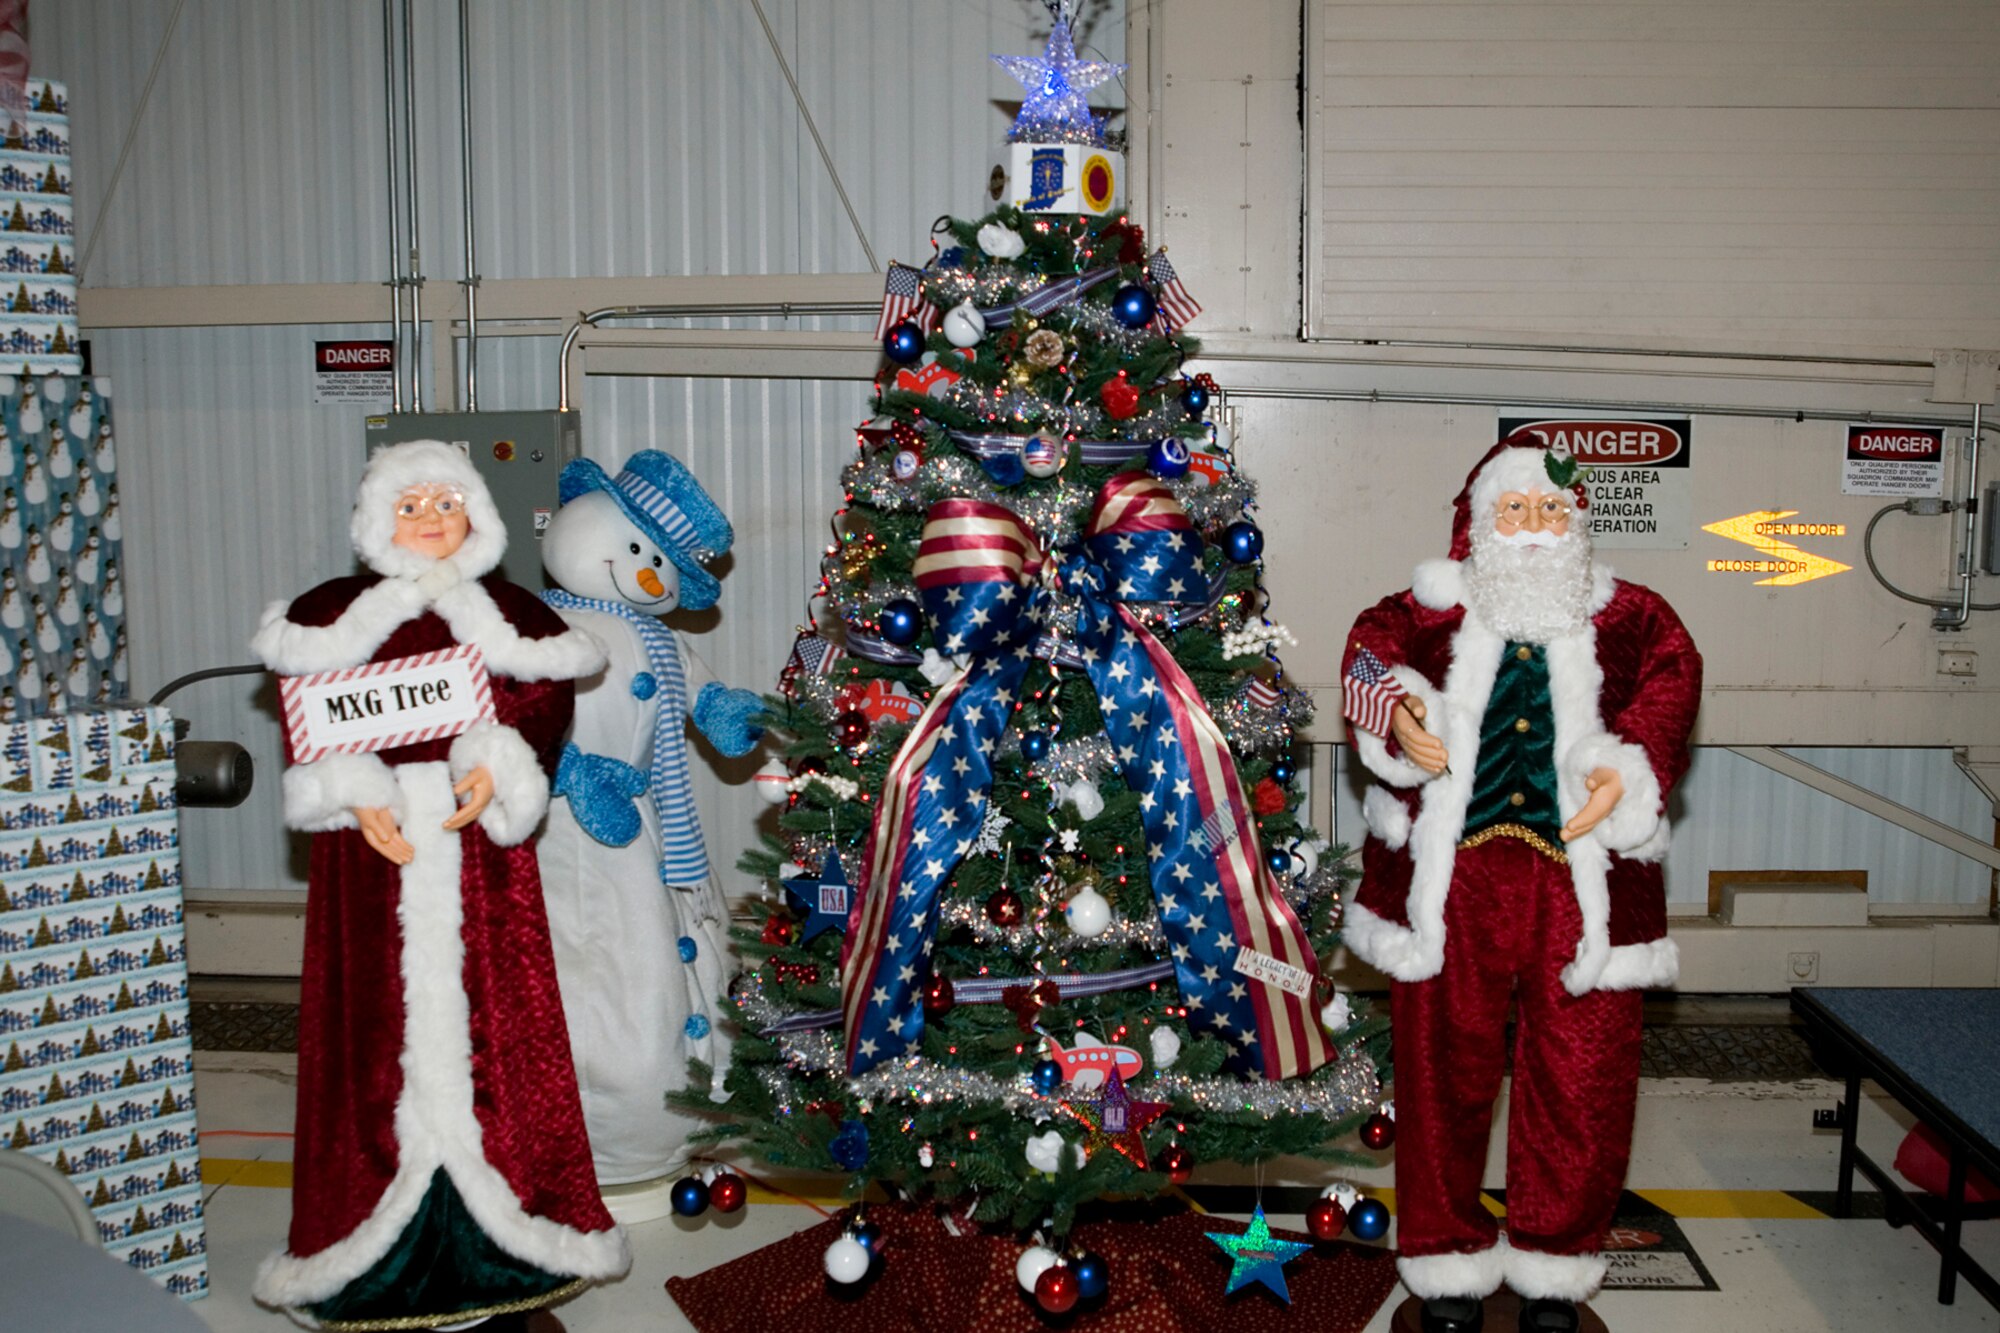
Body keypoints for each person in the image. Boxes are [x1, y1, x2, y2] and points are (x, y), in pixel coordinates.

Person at [250, 440, 626, 1331]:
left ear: (477, 517)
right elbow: (311, 722)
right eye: (409, 504)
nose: (427, 519)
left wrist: (498, 763)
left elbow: (541, 706)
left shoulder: (510, 614)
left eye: (444, 503)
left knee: (498, 1041)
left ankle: (506, 1252)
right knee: (373, 1039)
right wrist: (350, 788)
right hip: (371, 868)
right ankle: (366, 1246)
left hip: (479, 866)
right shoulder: (329, 615)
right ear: (378, 518)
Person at [1340, 432, 1701, 1333]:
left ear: (1577, 521)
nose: (1536, 528)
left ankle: (1555, 1260)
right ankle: (1446, 1256)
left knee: (1583, 1076)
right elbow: (1363, 658)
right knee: (1439, 1073)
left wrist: (1629, 765)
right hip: (1450, 882)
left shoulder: (1632, 615)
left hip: (1586, 888)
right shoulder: (1426, 609)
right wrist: (1403, 715)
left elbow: (1673, 677)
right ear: (1479, 523)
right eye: (1517, 510)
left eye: (1552, 511)